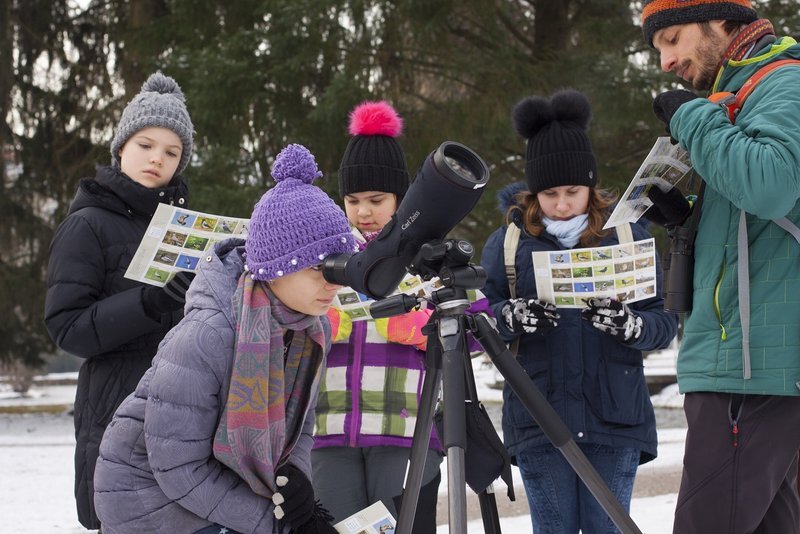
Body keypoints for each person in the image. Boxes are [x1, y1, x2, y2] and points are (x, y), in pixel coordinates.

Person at [93, 143, 356, 534]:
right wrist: (275, 524)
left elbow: (300, 424)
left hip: (218, 486)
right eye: (319, 268)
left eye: (339, 267)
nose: (332, 283)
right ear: (276, 268)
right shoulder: (207, 335)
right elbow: (177, 467)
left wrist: (294, 486)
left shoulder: (311, 329)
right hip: (147, 498)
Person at [480, 89, 678, 534]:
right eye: (550, 193)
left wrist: (631, 325)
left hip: (614, 418)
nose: (564, 203)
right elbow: (481, 318)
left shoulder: (628, 236)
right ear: (534, 191)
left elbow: (664, 323)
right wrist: (511, 317)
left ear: (591, 184)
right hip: (539, 417)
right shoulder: (508, 244)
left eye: (574, 190)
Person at [640, 1, 800, 531]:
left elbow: (770, 187)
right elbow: (760, 222)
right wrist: (686, 219)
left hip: (752, 369)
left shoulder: (783, 84)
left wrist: (690, 115)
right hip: (747, 361)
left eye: (673, 39)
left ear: (723, 22)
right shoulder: (743, 93)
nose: (666, 61)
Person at [43, 71, 195, 530]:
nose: (157, 159)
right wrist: (148, 304)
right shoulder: (87, 224)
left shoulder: (184, 229)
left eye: (172, 152)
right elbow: (67, 328)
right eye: (145, 145)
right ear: (121, 148)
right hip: (114, 412)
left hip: (182, 418)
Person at [310, 101, 442, 532]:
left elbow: (477, 325)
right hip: (328, 430)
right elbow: (277, 321)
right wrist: (316, 325)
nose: (364, 211)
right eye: (353, 200)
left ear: (401, 199)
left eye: (376, 200)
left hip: (405, 431)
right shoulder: (324, 256)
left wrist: (424, 328)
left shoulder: (426, 251)